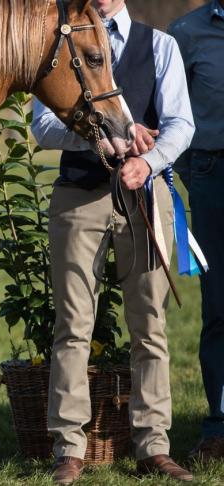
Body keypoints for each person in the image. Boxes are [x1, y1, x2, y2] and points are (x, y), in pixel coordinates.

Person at [31, 0, 196, 483]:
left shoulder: (159, 45)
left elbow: (182, 124)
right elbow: (42, 127)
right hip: (78, 198)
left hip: (144, 196)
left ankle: (154, 445)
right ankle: (69, 448)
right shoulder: (60, 43)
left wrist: (148, 161)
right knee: (73, 325)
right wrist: (95, 139)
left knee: (150, 325)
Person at [169, 0, 224, 463]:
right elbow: (175, 118)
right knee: (220, 306)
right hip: (214, 178)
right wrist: (198, 172)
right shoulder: (186, 33)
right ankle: (218, 427)